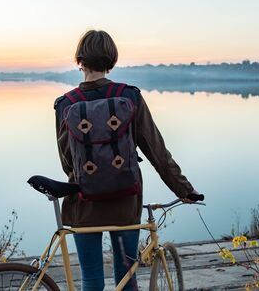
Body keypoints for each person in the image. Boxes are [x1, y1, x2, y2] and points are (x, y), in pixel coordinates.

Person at [54, 30, 200, 291]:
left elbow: (68, 161)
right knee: (126, 278)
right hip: (124, 203)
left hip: (84, 204)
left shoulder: (66, 104)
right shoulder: (129, 97)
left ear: (80, 60)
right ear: (111, 60)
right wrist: (184, 189)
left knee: (91, 279)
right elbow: (157, 151)